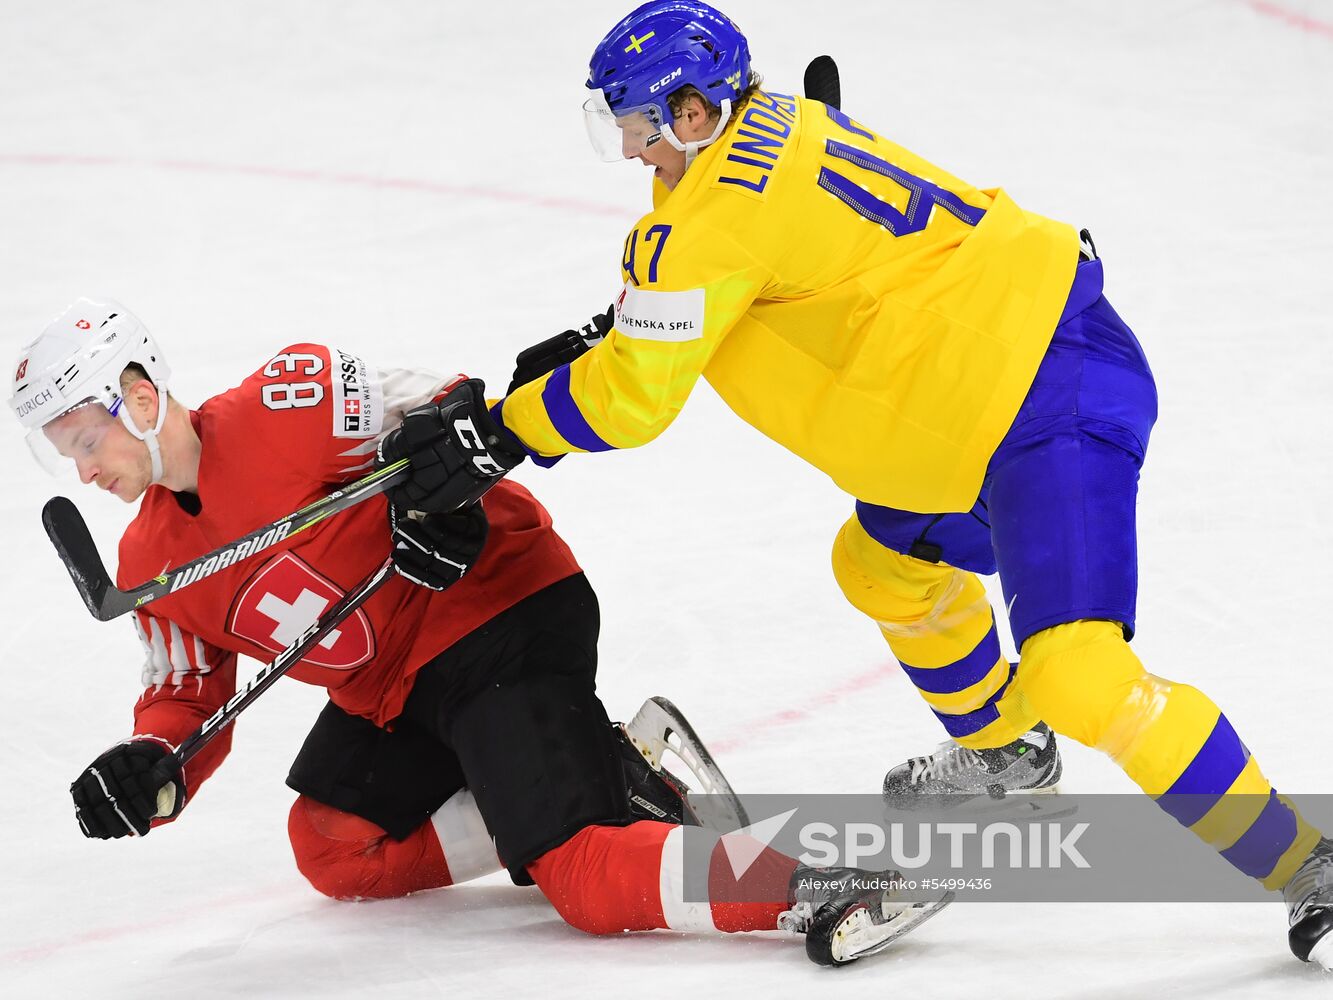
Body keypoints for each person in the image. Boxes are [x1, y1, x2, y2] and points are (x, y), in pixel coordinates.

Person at [389, 1, 1333, 968]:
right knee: (881, 564)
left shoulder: (705, 223)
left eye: (639, 127)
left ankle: (1310, 864)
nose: (631, 151)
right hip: (987, 396)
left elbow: (631, 400)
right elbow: (784, 265)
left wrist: (501, 431)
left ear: (692, 111)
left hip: (1045, 402)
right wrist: (635, 324)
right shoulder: (778, 124)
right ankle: (1008, 751)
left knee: (1077, 672)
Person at [8, 297, 948, 967]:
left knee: (582, 875)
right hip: (400, 692)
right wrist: (151, 764)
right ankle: (609, 775)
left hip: (499, 614)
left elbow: (450, 411)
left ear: (139, 398)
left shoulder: (285, 407)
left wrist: (442, 502)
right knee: (331, 846)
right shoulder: (150, 566)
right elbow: (187, 694)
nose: (83, 472)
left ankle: (812, 881)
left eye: (86, 442)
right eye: (65, 456)